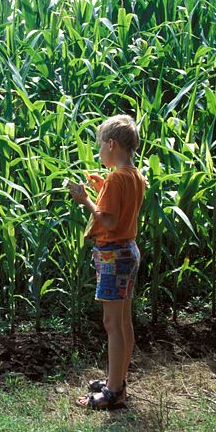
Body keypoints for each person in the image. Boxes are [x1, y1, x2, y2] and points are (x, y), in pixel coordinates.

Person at [68, 114, 146, 411]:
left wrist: (86, 200)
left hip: (113, 254)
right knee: (123, 322)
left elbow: (109, 221)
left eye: (100, 145)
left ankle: (113, 391)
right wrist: (104, 192)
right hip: (128, 251)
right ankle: (119, 380)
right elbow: (121, 208)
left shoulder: (115, 178)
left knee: (111, 323)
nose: (98, 151)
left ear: (111, 144)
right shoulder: (134, 175)